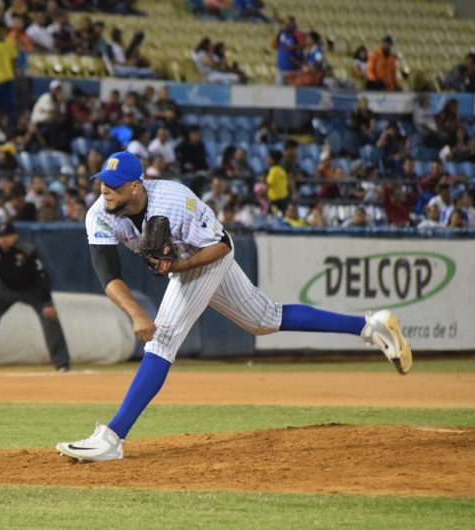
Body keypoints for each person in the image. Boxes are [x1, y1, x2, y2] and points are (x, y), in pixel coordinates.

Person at [55, 151, 413, 462]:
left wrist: (178, 267)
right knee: (265, 319)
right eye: (102, 181)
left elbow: (223, 244)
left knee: (161, 341)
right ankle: (370, 325)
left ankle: (113, 438)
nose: (105, 189)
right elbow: (107, 275)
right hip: (185, 262)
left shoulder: (176, 200)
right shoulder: (99, 214)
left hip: (205, 258)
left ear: (136, 185)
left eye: (114, 183)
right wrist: (136, 313)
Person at [0, 222, 71, 372]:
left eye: (7, 236)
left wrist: (47, 301)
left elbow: (42, 276)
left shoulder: (27, 250)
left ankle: (62, 363)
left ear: (15, 236)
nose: (3, 240)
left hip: (33, 290)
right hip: (6, 289)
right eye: (0, 236)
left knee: (50, 318)